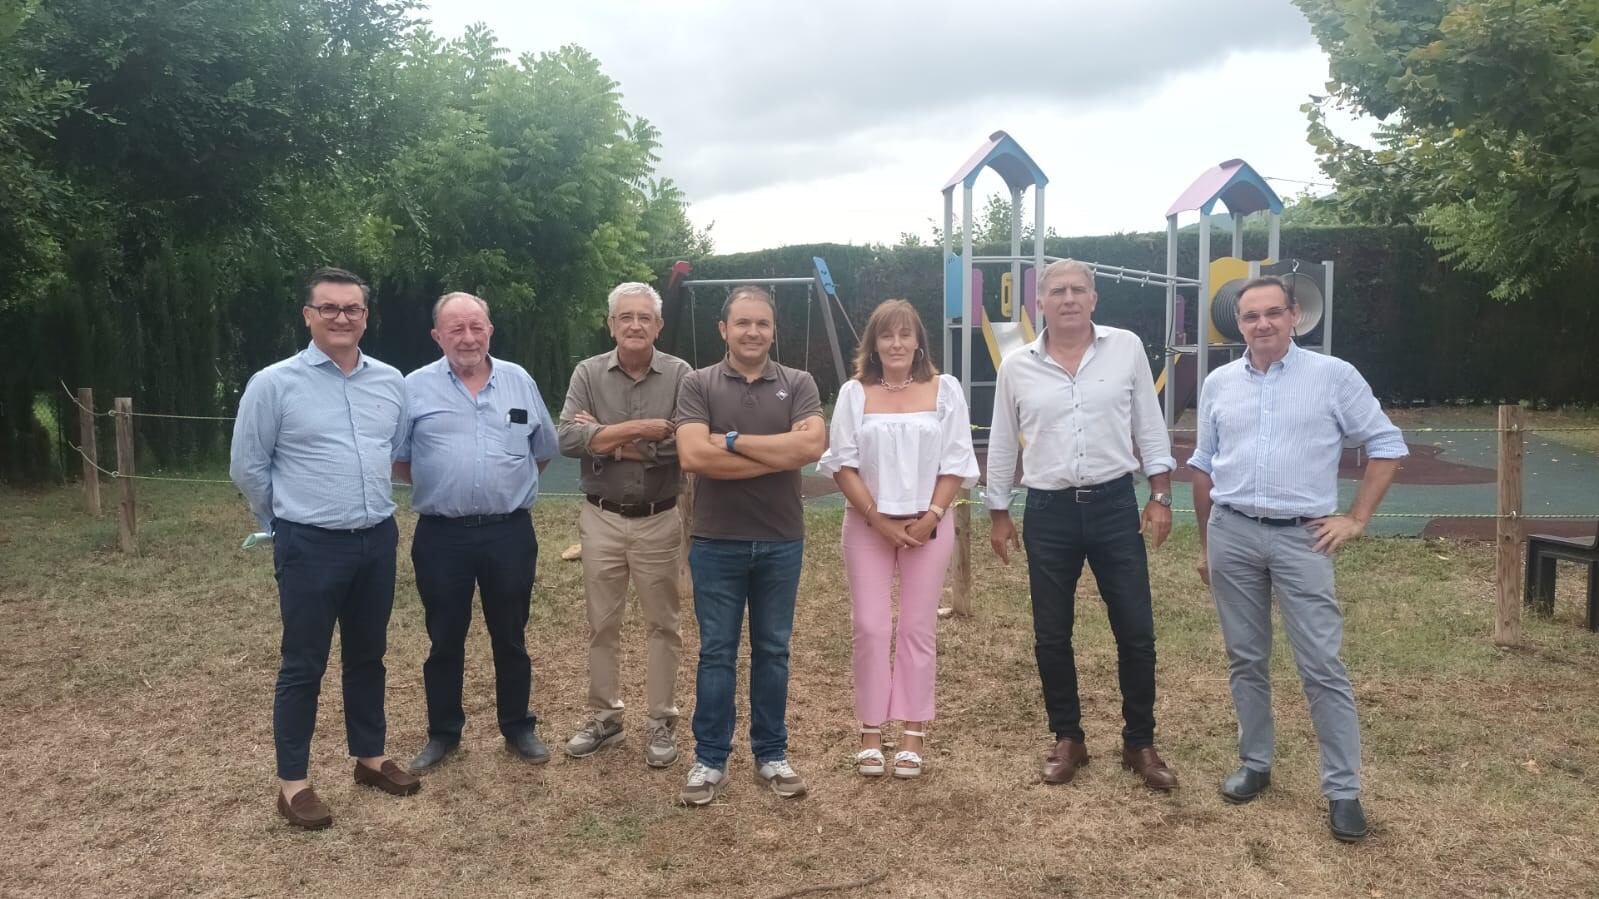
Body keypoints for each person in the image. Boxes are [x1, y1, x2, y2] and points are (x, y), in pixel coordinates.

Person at [1188, 275, 1406, 843]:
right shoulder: (1218, 383)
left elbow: (1385, 445)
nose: (1262, 324)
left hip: (1302, 539)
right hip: (1231, 531)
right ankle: (1256, 762)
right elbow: (1204, 464)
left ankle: (1343, 790)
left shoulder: (1332, 377)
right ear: (1239, 324)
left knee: (1322, 666)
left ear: (1293, 316)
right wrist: (1206, 545)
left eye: (1272, 313)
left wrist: (1355, 518)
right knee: (1245, 658)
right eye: (1250, 316)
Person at [230, 266, 419, 830]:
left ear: (366, 316)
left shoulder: (390, 381)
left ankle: (370, 756)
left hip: (376, 539)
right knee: (303, 664)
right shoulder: (274, 383)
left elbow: (396, 449)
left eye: (352, 309)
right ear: (308, 314)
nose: (342, 318)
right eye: (329, 308)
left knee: (368, 654)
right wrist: (282, 521)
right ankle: (294, 784)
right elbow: (248, 466)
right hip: (309, 543)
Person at [985, 259, 1180, 791]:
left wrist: (1160, 494)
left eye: (1078, 290)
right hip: (1048, 511)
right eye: (1056, 291)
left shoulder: (1127, 348)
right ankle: (1068, 736)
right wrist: (998, 512)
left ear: (1094, 298)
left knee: (1136, 631)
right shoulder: (1017, 366)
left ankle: (1139, 741)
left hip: (1117, 504)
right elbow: (1003, 441)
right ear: (1040, 303)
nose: (1068, 298)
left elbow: (1149, 423)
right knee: (1052, 633)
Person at [672, 285, 826, 806]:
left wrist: (731, 440)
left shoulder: (800, 383)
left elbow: (809, 447)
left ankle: (771, 753)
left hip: (782, 541)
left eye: (761, 323)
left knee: (773, 651)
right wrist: (775, 455)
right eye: (742, 323)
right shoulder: (698, 384)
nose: (752, 332)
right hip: (716, 541)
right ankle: (709, 758)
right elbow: (694, 456)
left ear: (774, 330)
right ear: (724, 329)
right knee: (716, 653)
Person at [395, 291, 558, 773]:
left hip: (508, 532)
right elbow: (400, 459)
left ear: (490, 329)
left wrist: (503, 486)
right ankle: (443, 733)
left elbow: (542, 449)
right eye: (456, 329)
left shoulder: (519, 381)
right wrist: (447, 485)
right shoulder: (413, 387)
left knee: (511, 634)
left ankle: (518, 726)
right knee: (444, 637)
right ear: (437, 336)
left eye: (476, 327)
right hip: (442, 536)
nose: (468, 337)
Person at [818, 299, 978, 778]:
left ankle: (912, 730)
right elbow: (841, 463)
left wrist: (931, 516)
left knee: (916, 627)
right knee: (870, 626)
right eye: (887, 335)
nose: (897, 344)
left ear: (918, 341)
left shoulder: (945, 390)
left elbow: (956, 461)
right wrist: (877, 518)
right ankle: (870, 731)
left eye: (906, 334)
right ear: (873, 343)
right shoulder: (854, 393)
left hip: (928, 526)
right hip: (868, 524)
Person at [557, 282, 691, 768]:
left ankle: (661, 721)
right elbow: (569, 438)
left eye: (644, 317)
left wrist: (605, 439)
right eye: (624, 317)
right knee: (602, 624)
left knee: (663, 625)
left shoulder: (680, 375)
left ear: (658, 325)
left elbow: (684, 445)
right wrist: (639, 431)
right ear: (610, 324)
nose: (634, 325)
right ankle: (605, 719)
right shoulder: (588, 373)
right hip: (601, 518)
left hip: (659, 519)